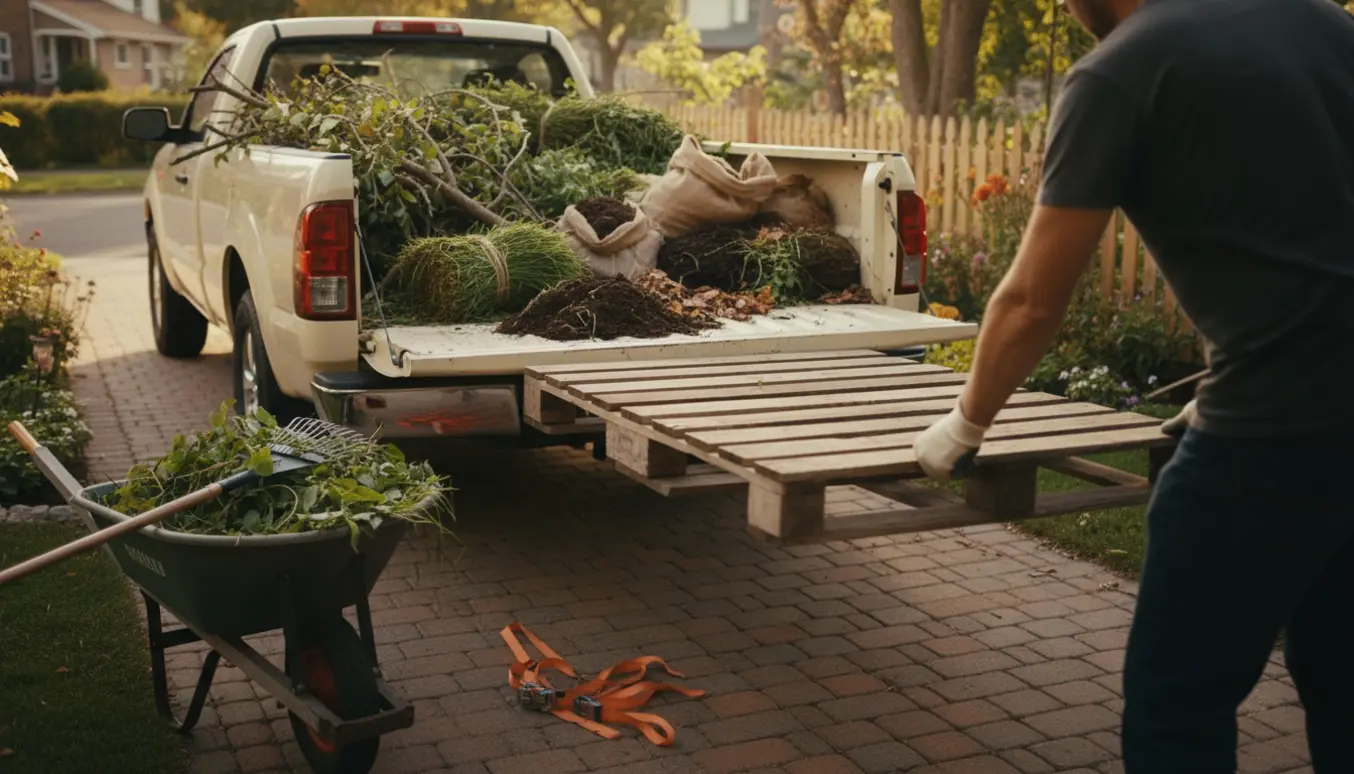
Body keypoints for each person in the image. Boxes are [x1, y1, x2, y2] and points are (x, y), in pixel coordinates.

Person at [911, 0, 1354, 771]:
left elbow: (1030, 300)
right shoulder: (1322, 22)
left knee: (1177, 706)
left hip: (1272, 438)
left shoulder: (1121, 71)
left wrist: (964, 425)